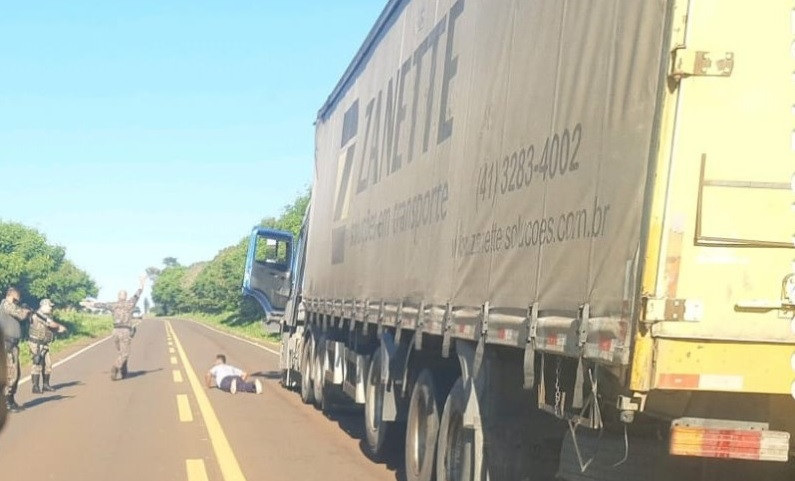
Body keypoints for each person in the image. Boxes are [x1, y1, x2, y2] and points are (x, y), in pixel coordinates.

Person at [82, 276, 146, 381]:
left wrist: (89, 304)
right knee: (125, 353)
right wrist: (142, 282)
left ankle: (124, 370)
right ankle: (116, 368)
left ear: (118, 296)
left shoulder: (113, 305)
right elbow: (138, 293)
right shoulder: (130, 303)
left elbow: (101, 305)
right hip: (125, 330)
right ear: (125, 296)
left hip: (115, 331)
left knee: (122, 352)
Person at [0, 287, 32, 412]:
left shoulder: (11, 306)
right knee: (10, 375)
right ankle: (7, 403)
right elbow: (21, 314)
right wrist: (27, 311)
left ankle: (11, 400)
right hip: (6, 344)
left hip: (12, 344)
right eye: (17, 299)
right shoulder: (6, 305)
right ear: (12, 296)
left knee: (15, 373)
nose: (18, 301)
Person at [28, 299, 67, 394]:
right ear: (44, 305)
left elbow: (49, 328)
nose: (51, 308)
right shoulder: (38, 315)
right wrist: (60, 327)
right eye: (50, 306)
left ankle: (45, 385)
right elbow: (52, 324)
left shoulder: (45, 316)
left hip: (44, 343)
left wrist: (57, 330)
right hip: (36, 343)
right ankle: (35, 386)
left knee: (48, 365)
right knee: (37, 363)